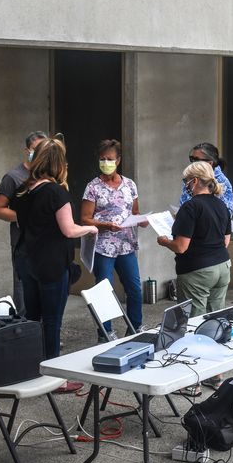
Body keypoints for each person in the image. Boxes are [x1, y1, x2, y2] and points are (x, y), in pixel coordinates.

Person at [11, 139, 97, 393]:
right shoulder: (56, 192)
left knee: (33, 318)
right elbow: (69, 229)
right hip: (50, 264)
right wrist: (90, 228)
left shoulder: (24, 190)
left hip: (27, 261)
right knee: (52, 321)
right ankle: (54, 378)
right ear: (59, 164)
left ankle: (32, 369)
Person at [81, 139, 146, 337]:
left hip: (126, 245)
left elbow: (134, 211)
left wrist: (142, 220)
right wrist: (104, 225)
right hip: (103, 246)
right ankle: (105, 331)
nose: (106, 163)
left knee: (135, 288)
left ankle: (135, 326)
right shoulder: (93, 187)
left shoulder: (130, 185)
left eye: (110, 159)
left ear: (118, 160)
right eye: (102, 159)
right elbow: (85, 219)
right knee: (104, 290)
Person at [157, 161, 232, 318]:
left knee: (193, 320)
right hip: (222, 266)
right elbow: (225, 242)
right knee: (217, 317)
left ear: (195, 181)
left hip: (197, 270)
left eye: (186, 181)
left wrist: (164, 241)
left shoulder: (190, 207)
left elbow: (181, 247)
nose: (185, 185)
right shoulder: (221, 205)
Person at [0, 131, 48, 316]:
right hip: (23, 242)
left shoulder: (49, 175)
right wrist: (24, 216)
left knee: (46, 287)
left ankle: (44, 333)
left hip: (47, 241)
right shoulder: (13, 177)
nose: (40, 154)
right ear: (27, 150)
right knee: (23, 286)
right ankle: (26, 334)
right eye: (36, 150)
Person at [179, 142, 233, 214]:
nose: (193, 163)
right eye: (191, 159)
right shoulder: (191, 178)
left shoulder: (222, 182)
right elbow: (183, 203)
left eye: (196, 160)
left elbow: (226, 215)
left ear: (210, 163)